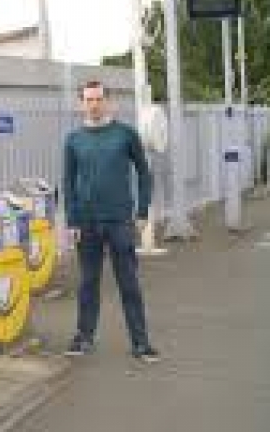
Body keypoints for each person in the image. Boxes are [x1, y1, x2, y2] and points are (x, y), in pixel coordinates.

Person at [62, 80, 160, 363]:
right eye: (88, 99)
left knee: (128, 283)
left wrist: (142, 212)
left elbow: (144, 173)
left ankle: (140, 343)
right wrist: (71, 221)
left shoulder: (125, 135)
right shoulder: (73, 140)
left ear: (109, 101)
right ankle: (83, 337)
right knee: (88, 283)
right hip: (87, 223)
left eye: (98, 99)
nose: (94, 104)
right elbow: (68, 182)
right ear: (81, 103)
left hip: (120, 222)